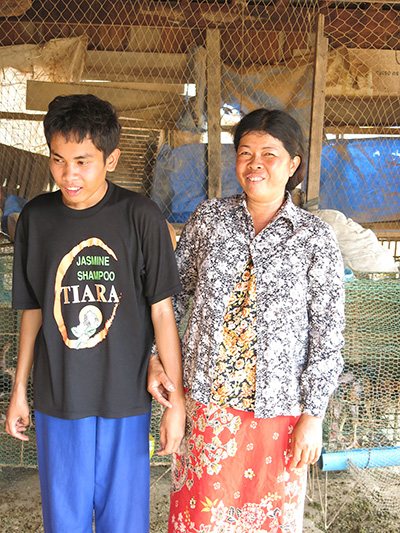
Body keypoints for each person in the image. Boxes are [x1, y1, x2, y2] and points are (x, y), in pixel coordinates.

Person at [152, 108, 345, 532]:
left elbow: (328, 334)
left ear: (293, 163)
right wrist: (156, 359)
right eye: (245, 152)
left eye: (269, 153)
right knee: (200, 518)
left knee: (268, 522)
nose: (254, 163)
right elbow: (173, 299)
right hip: (207, 406)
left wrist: (313, 415)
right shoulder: (209, 219)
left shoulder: (314, 238)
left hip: (278, 413)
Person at [5, 93, 185, 533]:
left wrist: (176, 401)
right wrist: (19, 390)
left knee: (123, 523)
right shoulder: (35, 218)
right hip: (58, 396)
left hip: (124, 397)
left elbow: (162, 312)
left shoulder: (141, 217)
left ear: (111, 159)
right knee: (63, 522)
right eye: (58, 159)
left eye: (83, 161)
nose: (69, 174)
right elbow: (31, 311)